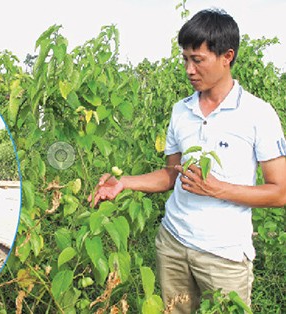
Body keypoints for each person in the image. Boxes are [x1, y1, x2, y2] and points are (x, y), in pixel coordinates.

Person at [89, 8, 286, 313]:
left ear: (227, 56)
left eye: (198, 60)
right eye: (185, 59)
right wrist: (124, 183)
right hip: (173, 244)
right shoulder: (181, 110)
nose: (189, 70)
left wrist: (217, 189)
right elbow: (170, 175)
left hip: (224, 256)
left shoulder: (258, 114)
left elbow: (280, 192)